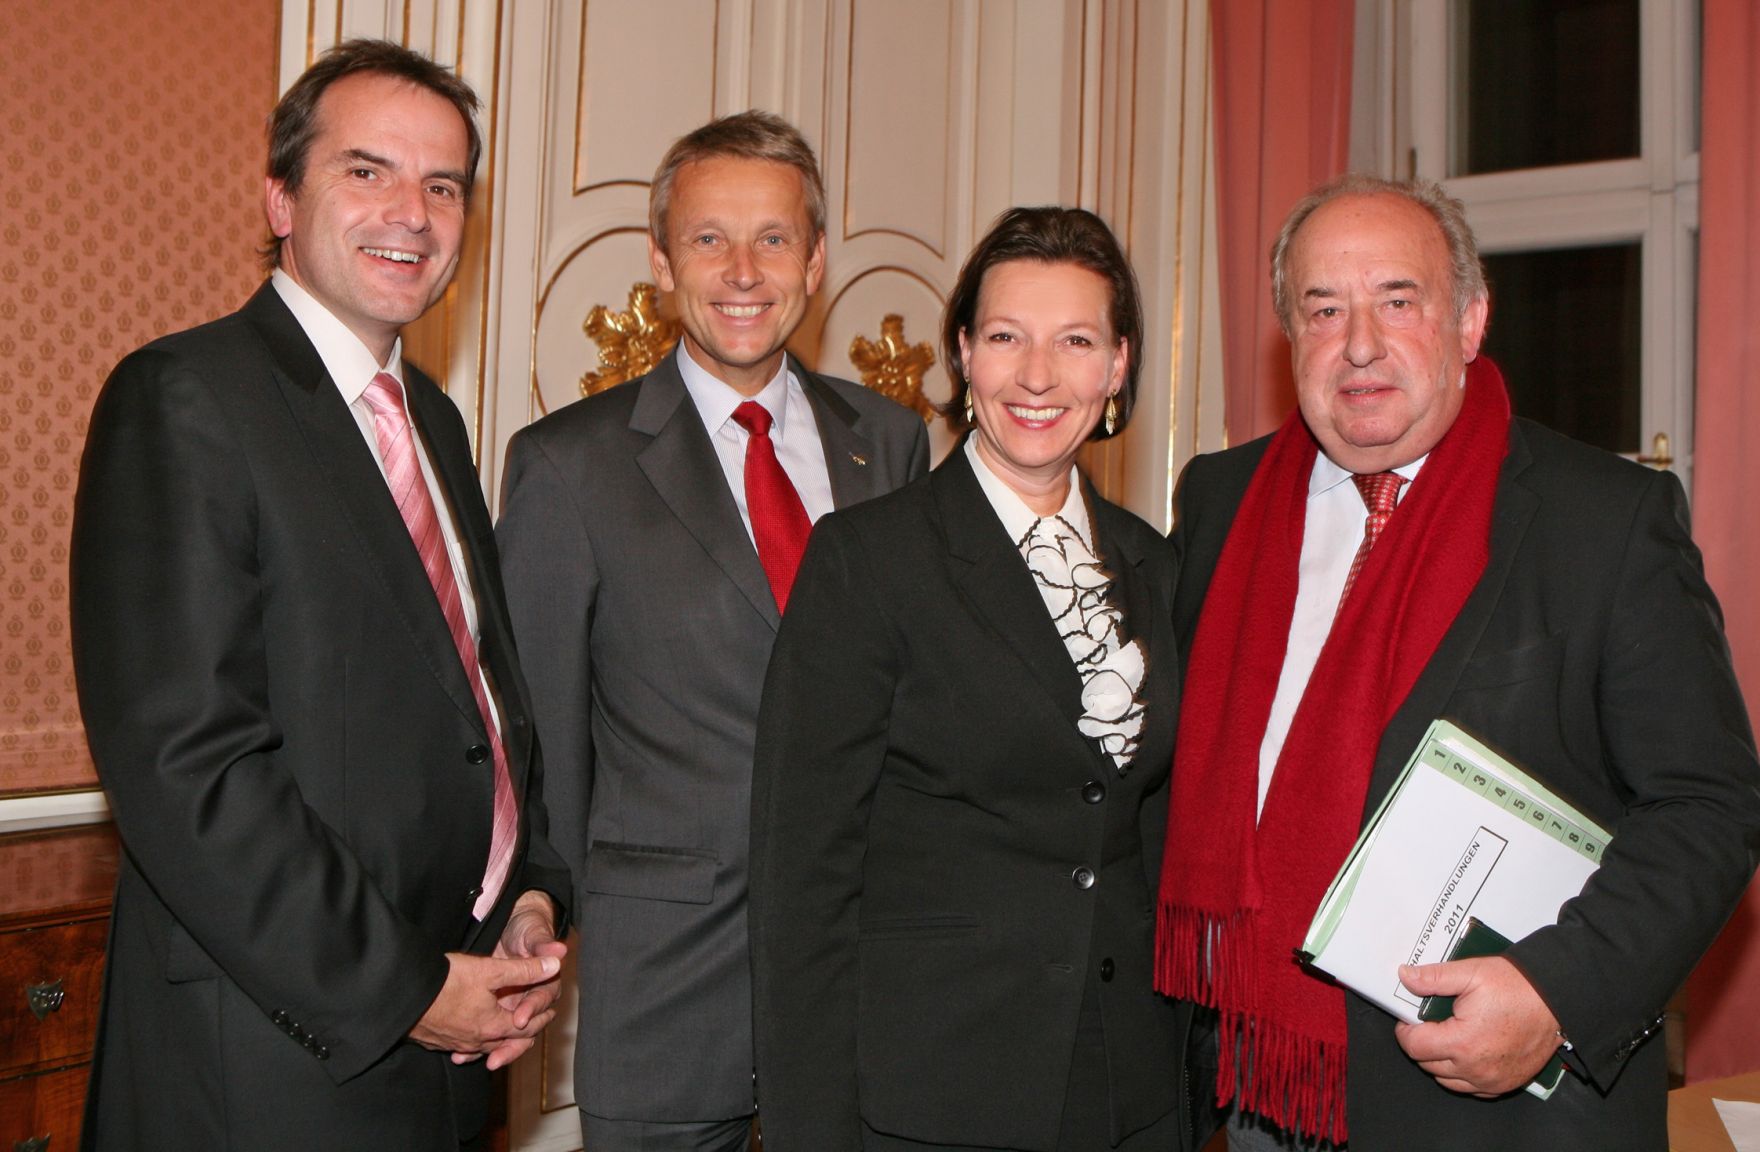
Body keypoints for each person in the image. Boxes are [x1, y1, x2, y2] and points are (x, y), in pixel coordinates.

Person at [1155, 174, 1760, 1151]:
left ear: (1470, 320)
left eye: (1397, 301)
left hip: (1493, 1105)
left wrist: (1556, 993)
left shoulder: (1601, 521)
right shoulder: (1220, 502)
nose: (1358, 343)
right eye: (1322, 309)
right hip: (1252, 1081)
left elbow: (1708, 805)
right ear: (1289, 335)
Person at [69, 39, 572, 1151]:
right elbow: (188, 766)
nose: (413, 213)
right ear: (281, 199)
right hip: (273, 1057)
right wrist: (403, 987)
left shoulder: (433, 421)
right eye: (367, 170)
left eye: (444, 185)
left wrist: (528, 895)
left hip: (447, 1044)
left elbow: (483, 707)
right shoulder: (184, 397)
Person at [495, 110, 928, 1151]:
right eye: (707, 239)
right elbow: (537, 733)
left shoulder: (890, 443)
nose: (742, 271)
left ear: (814, 261)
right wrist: (533, 899)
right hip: (667, 992)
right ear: (660, 262)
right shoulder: (568, 465)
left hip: (869, 982)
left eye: (773, 238)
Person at [750, 206, 1196, 1152]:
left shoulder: (1155, 566)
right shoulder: (869, 560)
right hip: (934, 1088)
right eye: (1005, 337)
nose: (1038, 375)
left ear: (1118, 366)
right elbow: (802, 877)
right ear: (962, 353)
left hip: (1126, 1083)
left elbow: (1156, 835)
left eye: (1076, 341)